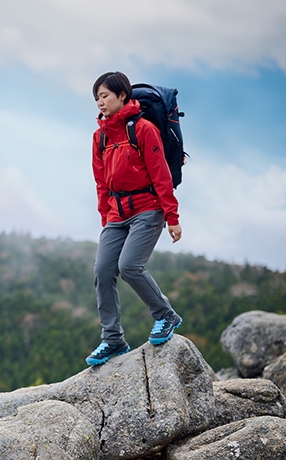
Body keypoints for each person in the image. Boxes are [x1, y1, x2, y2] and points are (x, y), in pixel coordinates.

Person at [86, 72, 183, 366]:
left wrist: (172, 216)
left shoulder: (143, 130)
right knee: (103, 269)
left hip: (147, 208)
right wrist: (106, 217)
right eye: (97, 98)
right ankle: (112, 339)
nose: (100, 102)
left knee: (129, 266)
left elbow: (161, 174)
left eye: (105, 96)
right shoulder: (100, 136)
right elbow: (101, 181)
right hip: (117, 213)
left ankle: (166, 315)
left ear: (123, 96)